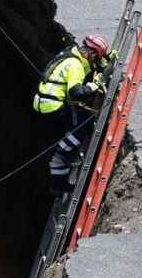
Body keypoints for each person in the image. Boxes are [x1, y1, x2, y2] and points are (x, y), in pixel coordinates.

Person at [33, 34, 110, 196]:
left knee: (68, 132)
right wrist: (93, 86)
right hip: (53, 107)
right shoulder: (75, 65)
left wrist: (103, 63)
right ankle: (62, 149)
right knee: (85, 123)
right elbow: (76, 92)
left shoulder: (68, 54)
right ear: (91, 53)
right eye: (95, 58)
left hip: (41, 105)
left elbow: (87, 70)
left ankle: (59, 184)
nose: (93, 62)